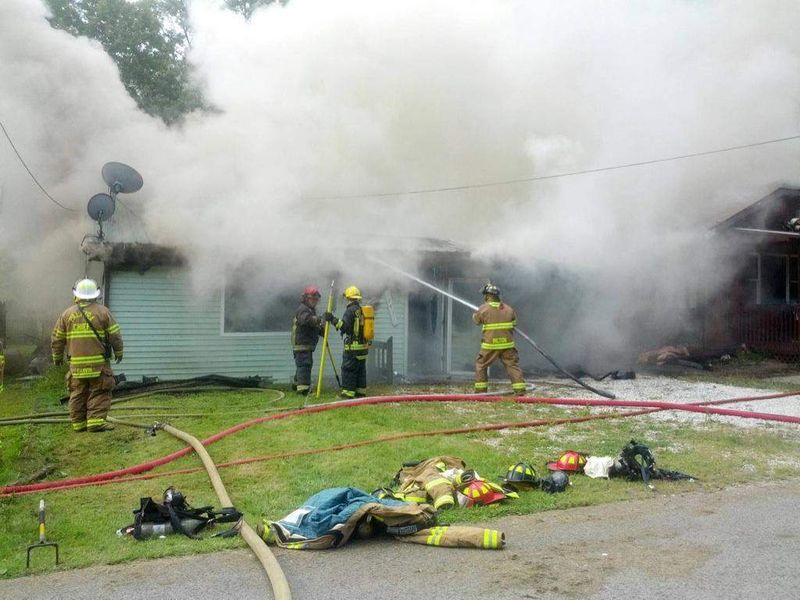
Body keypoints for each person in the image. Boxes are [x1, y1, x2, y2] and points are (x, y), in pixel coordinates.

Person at [51, 278, 123, 432]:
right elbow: (115, 335)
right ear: (95, 294)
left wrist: (57, 357)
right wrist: (119, 351)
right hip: (98, 365)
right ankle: (95, 422)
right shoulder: (103, 312)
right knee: (100, 391)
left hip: (76, 366)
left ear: (77, 294)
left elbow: (57, 338)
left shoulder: (66, 314)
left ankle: (78, 423)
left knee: (77, 393)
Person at [472, 282, 526, 396]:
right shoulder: (509, 309)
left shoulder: (483, 309)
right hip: (507, 345)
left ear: (487, 296)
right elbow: (514, 323)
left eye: (485, 295)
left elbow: (476, 321)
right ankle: (520, 390)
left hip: (490, 346)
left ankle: (481, 392)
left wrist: (475, 314)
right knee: (512, 366)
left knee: (481, 365)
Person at [325, 285, 368, 398]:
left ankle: (348, 393)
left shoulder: (350, 311)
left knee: (348, 370)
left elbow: (345, 327)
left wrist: (332, 319)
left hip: (353, 349)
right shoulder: (361, 310)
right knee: (360, 370)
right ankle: (360, 392)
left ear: (348, 298)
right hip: (363, 348)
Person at [291, 285, 326, 396]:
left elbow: (313, 326)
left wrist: (322, 330)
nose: (314, 301)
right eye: (312, 299)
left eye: (316, 299)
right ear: (305, 298)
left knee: (303, 365)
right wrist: (319, 319)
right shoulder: (303, 309)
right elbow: (306, 320)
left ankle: (297, 384)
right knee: (305, 365)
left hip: (306, 344)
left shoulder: (311, 310)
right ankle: (303, 390)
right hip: (302, 344)